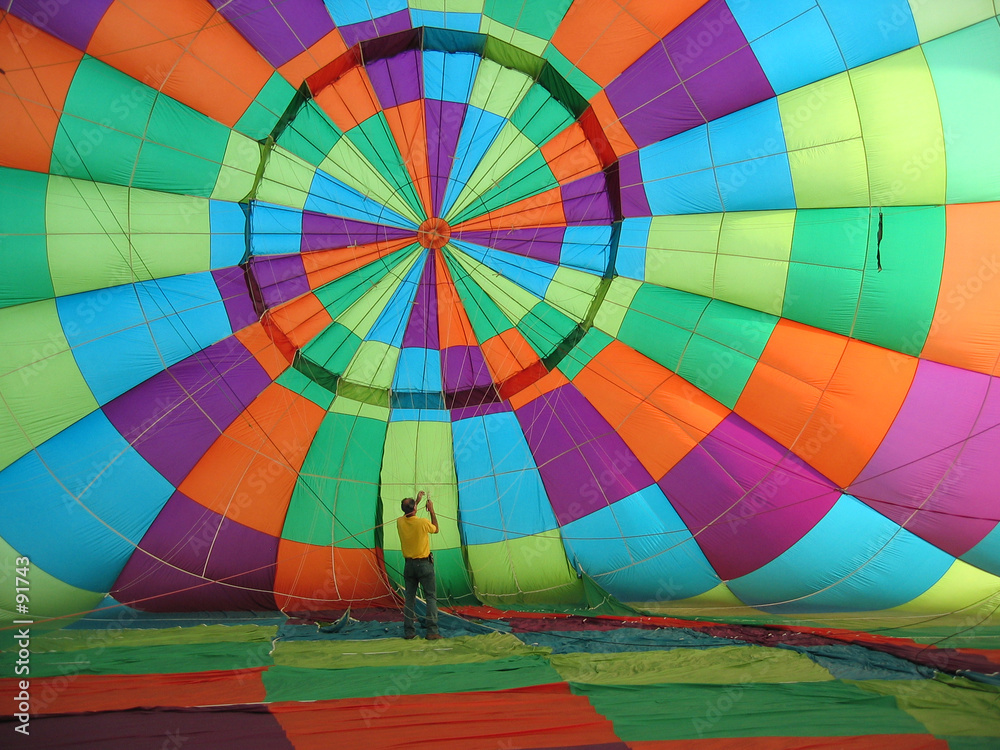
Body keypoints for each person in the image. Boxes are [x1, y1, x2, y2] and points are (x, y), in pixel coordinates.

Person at [396, 490, 442, 640]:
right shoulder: (423, 522)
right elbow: (436, 529)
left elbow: (408, 513)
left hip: (409, 566)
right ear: (415, 508)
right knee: (430, 597)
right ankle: (432, 632)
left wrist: (417, 501)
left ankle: (409, 632)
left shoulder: (400, 521)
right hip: (424, 565)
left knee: (409, 598)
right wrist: (432, 510)